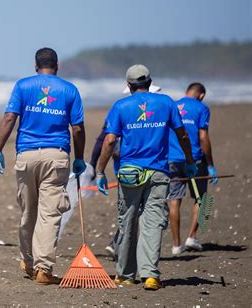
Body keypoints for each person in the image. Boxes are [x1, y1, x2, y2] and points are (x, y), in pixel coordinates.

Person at [96, 64, 197, 290]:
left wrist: (100, 171)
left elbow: (110, 141)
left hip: (130, 173)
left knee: (127, 223)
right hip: (159, 172)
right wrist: (189, 161)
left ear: (129, 85)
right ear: (150, 83)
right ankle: (150, 275)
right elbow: (182, 133)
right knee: (152, 223)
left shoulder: (121, 106)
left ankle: (125, 274)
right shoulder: (166, 102)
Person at [0, 48, 86, 285]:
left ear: (36, 65)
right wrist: (80, 157)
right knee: (49, 214)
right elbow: (77, 128)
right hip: (56, 156)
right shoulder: (69, 89)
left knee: (28, 211)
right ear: (57, 65)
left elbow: (9, 118)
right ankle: (43, 268)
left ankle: (28, 259)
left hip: (27, 155)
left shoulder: (23, 86)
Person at [91, 85, 162, 259]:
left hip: (133, 170)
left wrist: (96, 168)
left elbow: (105, 140)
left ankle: (121, 252)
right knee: (138, 213)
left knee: (134, 212)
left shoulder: (123, 108)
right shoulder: (124, 109)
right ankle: (119, 248)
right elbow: (105, 140)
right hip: (135, 169)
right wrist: (94, 168)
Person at [168, 83, 218, 255]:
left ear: (186, 92)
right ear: (201, 95)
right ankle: (192, 236)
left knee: (174, 200)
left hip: (172, 159)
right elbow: (203, 136)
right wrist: (210, 165)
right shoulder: (202, 108)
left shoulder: (173, 105)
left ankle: (176, 245)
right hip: (194, 159)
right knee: (201, 198)